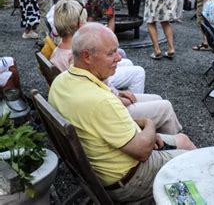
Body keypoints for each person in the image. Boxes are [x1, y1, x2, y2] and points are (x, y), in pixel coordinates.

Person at [48, 23, 196, 203]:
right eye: (111, 53)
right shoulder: (100, 100)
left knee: (184, 140)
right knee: (194, 162)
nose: (118, 58)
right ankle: (193, 196)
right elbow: (142, 151)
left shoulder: (61, 81)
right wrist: (149, 125)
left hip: (100, 169)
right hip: (128, 180)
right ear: (87, 56)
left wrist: (145, 133)